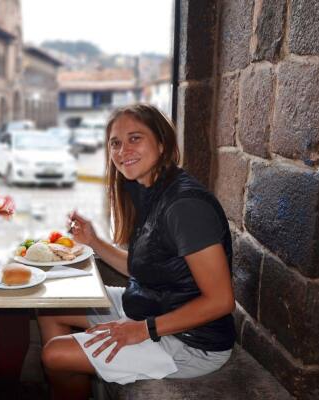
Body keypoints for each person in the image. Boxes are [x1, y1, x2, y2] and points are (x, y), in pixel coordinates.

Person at [38, 104, 236, 399]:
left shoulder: (185, 207)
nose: (122, 150)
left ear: (162, 142)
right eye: (115, 143)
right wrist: (93, 241)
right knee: (52, 307)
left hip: (192, 342)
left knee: (55, 354)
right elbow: (145, 268)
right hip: (151, 307)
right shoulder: (146, 188)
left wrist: (143, 329)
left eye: (135, 138)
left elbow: (221, 301)